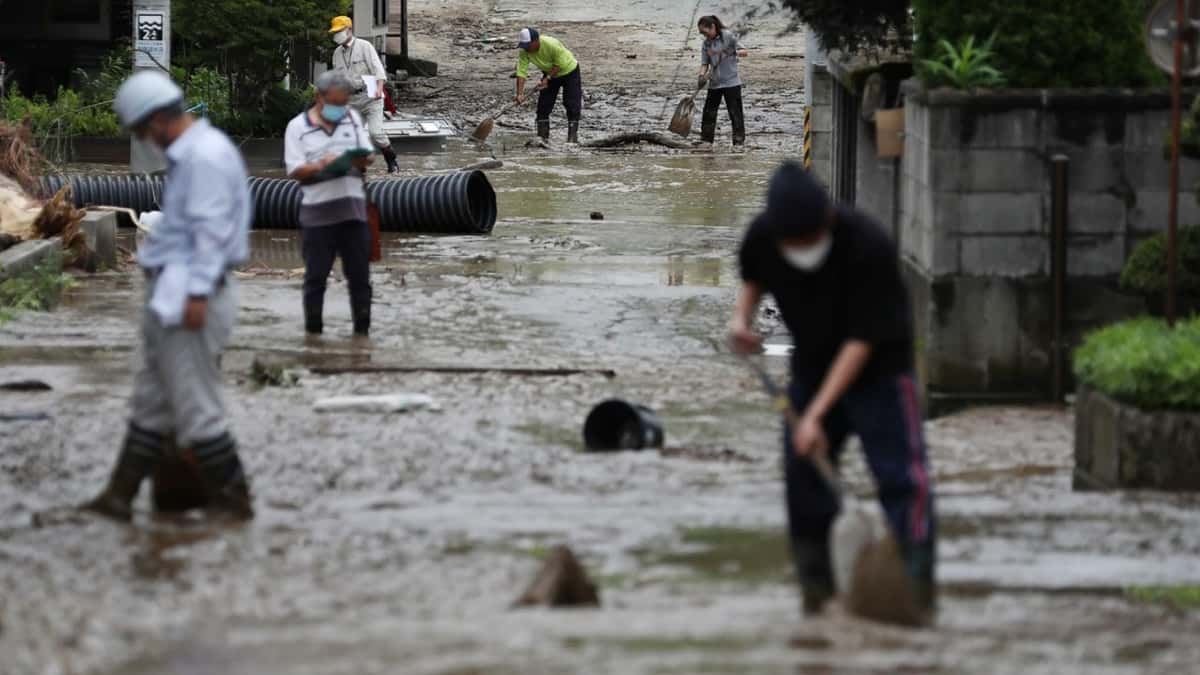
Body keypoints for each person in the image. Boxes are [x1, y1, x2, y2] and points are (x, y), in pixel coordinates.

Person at [728, 162, 936, 617]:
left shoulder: (866, 245)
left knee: (903, 477)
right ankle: (816, 594)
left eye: (809, 239)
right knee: (802, 474)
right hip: (812, 365)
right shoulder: (765, 236)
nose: (802, 249)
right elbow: (753, 279)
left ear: (827, 220)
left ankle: (915, 593)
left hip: (879, 368)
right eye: (792, 243)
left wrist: (816, 416)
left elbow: (861, 343)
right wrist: (741, 321)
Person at [85, 69, 253, 521]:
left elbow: (212, 233)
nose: (145, 140)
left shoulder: (204, 157)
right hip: (173, 292)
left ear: (157, 119)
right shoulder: (191, 154)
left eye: (142, 131)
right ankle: (118, 498)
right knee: (151, 400)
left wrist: (197, 294)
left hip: (191, 295)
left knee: (197, 405)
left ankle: (234, 502)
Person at [284, 70, 375, 337]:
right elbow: (295, 170)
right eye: (334, 103)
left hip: (354, 214)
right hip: (317, 217)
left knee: (360, 279)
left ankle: (362, 336)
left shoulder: (352, 119)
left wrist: (359, 159)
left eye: (343, 102)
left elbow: (367, 157)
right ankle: (313, 336)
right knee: (315, 279)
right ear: (318, 97)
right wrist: (321, 165)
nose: (339, 108)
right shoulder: (297, 127)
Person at [329, 15, 399, 173]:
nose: (337, 35)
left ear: (349, 30)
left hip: (370, 96)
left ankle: (391, 159)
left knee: (375, 132)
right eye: (335, 32)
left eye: (340, 31)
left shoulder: (364, 46)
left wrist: (379, 89)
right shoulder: (336, 54)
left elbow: (378, 69)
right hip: (351, 100)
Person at [514, 27, 583, 144]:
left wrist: (547, 79)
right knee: (543, 105)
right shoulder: (524, 51)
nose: (526, 49)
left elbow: (559, 64)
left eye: (528, 46)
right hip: (549, 73)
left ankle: (572, 137)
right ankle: (542, 137)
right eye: (524, 46)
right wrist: (519, 94)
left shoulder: (550, 44)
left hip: (569, 71)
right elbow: (521, 72)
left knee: (571, 103)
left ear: (536, 41)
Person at [697, 15, 748, 148]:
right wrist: (701, 76)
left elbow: (744, 50)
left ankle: (738, 142)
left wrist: (739, 52)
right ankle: (706, 141)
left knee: (735, 113)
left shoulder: (728, 36)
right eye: (702, 33)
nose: (704, 35)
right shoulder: (706, 43)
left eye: (705, 32)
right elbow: (705, 64)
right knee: (709, 112)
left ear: (713, 27)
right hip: (714, 83)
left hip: (732, 82)